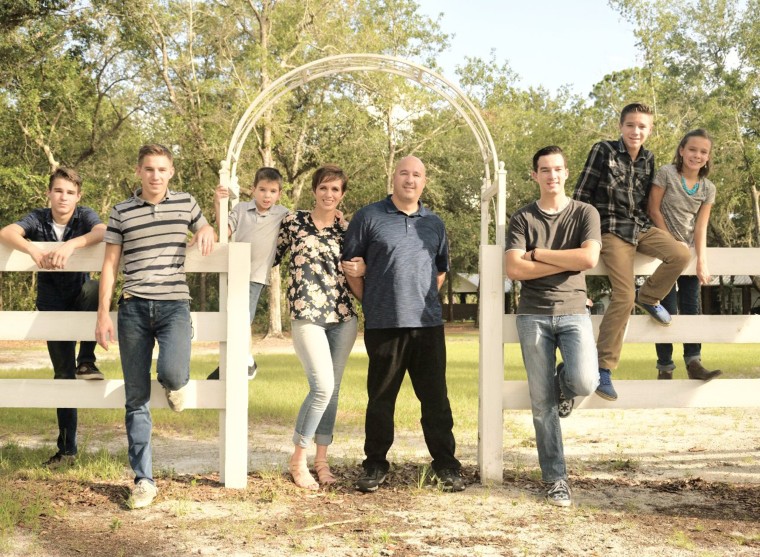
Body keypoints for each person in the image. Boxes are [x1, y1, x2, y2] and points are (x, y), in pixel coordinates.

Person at [95, 144, 215, 509]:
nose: (155, 176)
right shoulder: (121, 212)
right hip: (132, 309)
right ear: (138, 172)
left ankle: (175, 383)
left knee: (174, 373)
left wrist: (207, 227)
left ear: (171, 172)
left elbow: (204, 226)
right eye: (149, 169)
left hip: (174, 307)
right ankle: (144, 479)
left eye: (162, 169)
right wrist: (103, 313)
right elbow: (111, 265)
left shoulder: (186, 203)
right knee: (136, 399)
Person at [343, 155, 465, 493]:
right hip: (384, 324)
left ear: (424, 182)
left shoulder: (435, 223)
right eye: (404, 173)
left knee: (436, 400)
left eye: (417, 175)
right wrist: (371, 301)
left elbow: (440, 271)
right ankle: (375, 464)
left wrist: (420, 299)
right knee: (381, 399)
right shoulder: (369, 217)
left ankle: (446, 465)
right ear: (393, 178)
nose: (410, 180)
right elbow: (350, 266)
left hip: (427, 325)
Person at [573, 102, 691, 401]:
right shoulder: (603, 150)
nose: (635, 131)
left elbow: (644, 203)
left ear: (649, 131)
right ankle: (603, 369)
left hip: (640, 226)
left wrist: (656, 229)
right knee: (623, 296)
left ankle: (650, 297)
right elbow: (582, 194)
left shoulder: (649, 159)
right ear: (620, 126)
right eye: (631, 125)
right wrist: (582, 234)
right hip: (610, 229)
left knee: (680, 255)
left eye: (642, 127)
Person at [505, 146, 601, 507]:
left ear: (566, 172)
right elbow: (514, 269)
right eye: (544, 170)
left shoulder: (584, 213)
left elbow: (589, 258)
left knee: (584, 381)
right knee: (541, 404)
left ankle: (565, 388)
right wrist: (566, 261)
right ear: (535, 175)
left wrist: (540, 254)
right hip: (532, 315)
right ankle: (556, 478)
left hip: (574, 311)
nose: (552, 176)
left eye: (557, 169)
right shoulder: (522, 218)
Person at [0, 167, 106, 467]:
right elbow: (7, 232)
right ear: (49, 193)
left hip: (79, 299)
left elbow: (102, 231)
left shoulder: (83, 216)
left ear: (78, 196)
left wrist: (72, 244)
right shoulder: (38, 218)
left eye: (70, 192)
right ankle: (67, 450)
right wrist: (33, 250)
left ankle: (87, 359)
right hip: (51, 306)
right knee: (62, 376)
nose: (63, 197)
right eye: (58, 190)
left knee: (96, 287)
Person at [274, 164, 364, 490]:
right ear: (315, 190)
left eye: (336, 190)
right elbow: (267, 255)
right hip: (306, 315)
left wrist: (362, 264)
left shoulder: (349, 230)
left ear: (342, 194)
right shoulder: (293, 221)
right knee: (322, 386)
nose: (329, 194)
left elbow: (361, 270)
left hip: (343, 317)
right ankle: (298, 457)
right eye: (324, 188)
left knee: (333, 391)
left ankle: (321, 460)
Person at [647, 129, 721, 381]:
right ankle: (665, 367)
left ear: (708, 157)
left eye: (703, 152)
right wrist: (670, 242)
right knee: (665, 308)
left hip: (687, 255)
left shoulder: (708, 188)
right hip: (665, 252)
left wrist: (701, 260)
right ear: (681, 150)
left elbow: (701, 227)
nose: (697, 155)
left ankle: (694, 362)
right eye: (692, 149)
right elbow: (653, 209)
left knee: (692, 307)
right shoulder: (667, 174)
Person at [207, 167, 289, 380]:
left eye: (272, 191)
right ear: (253, 189)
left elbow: (306, 223)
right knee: (233, 320)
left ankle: (246, 363)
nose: (266, 195)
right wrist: (218, 203)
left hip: (256, 276)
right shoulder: (242, 210)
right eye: (262, 189)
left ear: (279, 194)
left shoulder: (283, 214)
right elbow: (224, 232)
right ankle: (239, 362)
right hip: (235, 272)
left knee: (242, 320)